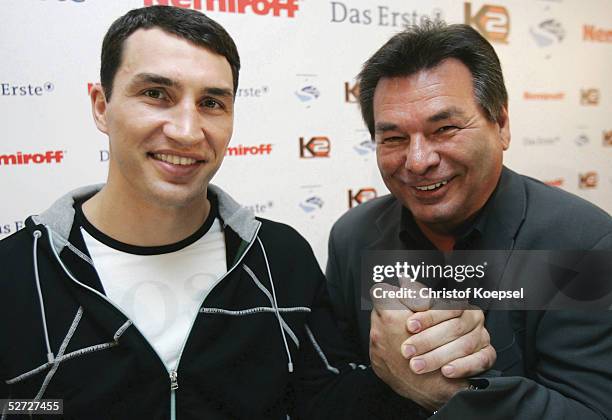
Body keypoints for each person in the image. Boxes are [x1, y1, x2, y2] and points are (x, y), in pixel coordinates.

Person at [0, 7, 495, 419]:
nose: (187, 131)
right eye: (156, 94)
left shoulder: (280, 258)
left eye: (212, 102)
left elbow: (329, 403)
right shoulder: (15, 274)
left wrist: (406, 384)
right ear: (101, 106)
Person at [326, 21, 612, 418]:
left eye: (445, 129)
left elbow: (591, 412)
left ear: (502, 125)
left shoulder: (581, 244)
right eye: (393, 138)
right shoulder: (353, 237)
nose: (418, 160)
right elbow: (339, 384)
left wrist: (452, 395)